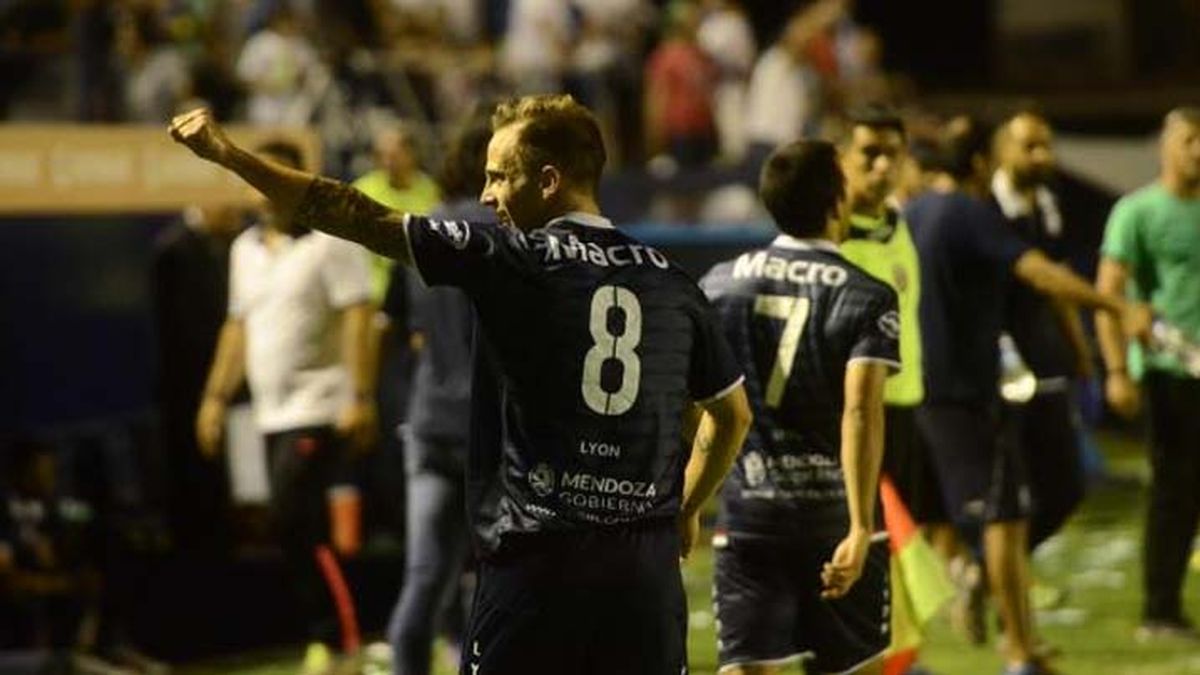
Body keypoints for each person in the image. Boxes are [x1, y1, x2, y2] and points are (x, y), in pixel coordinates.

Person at [169, 94, 752, 675]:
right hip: (643, 578)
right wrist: (689, 505)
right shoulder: (675, 284)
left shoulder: (510, 257)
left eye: (500, 176)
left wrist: (228, 154)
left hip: (536, 565)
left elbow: (350, 211)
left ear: (548, 181)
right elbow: (731, 416)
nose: (486, 195)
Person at [906, 117, 1153, 675]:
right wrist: (1117, 308)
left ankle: (990, 605)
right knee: (1005, 516)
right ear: (978, 165)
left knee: (982, 514)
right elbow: (1041, 274)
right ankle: (1019, 652)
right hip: (968, 391)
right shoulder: (969, 212)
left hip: (924, 389)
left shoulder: (915, 212)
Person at [701, 139, 897, 675]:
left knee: (747, 668)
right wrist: (860, 526)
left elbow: (705, 409)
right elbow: (860, 412)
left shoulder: (718, 284)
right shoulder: (866, 295)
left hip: (749, 513)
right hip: (833, 512)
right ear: (838, 203)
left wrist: (690, 502)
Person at [194, 140, 377, 675]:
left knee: (290, 515)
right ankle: (332, 637)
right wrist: (214, 397)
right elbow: (238, 326)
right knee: (294, 526)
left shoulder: (331, 242)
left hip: (321, 405)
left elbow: (358, 316)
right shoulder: (244, 250)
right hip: (270, 411)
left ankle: (339, 638)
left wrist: (361, 397)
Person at [383, 108, 493, 675]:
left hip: (428, 422)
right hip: (489, 431)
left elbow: (413, 334)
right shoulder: (504, 236)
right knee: (498, 581)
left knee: (424, 579)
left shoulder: (420, 231)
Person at [1096, 106, 1200, 642]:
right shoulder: (1137, 212)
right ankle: (1160, 609)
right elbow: (1108, 295)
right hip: (1168, 372)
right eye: (1189, 139)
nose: (1198, 150)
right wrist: (1117, 370)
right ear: (1165, 145)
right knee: (1174, 492)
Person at [991, 112, 1089, 555]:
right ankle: (994, 581)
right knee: (1005, 494)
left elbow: (1056, 282)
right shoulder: (981, 207)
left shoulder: (1047, 204)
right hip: (990, 368)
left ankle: (996, 577)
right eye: (1029, 146)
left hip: (1042, 359)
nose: (1041, 156)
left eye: (1045, 145)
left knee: (1066, 487)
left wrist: (1079, 349)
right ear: (1001, 150)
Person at [151, 200, 244, 555]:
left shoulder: (221, 248)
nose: (236, 221)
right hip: (186, 385)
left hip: (212, 382)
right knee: (191, 467)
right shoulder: (174, 252)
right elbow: (181, 328)